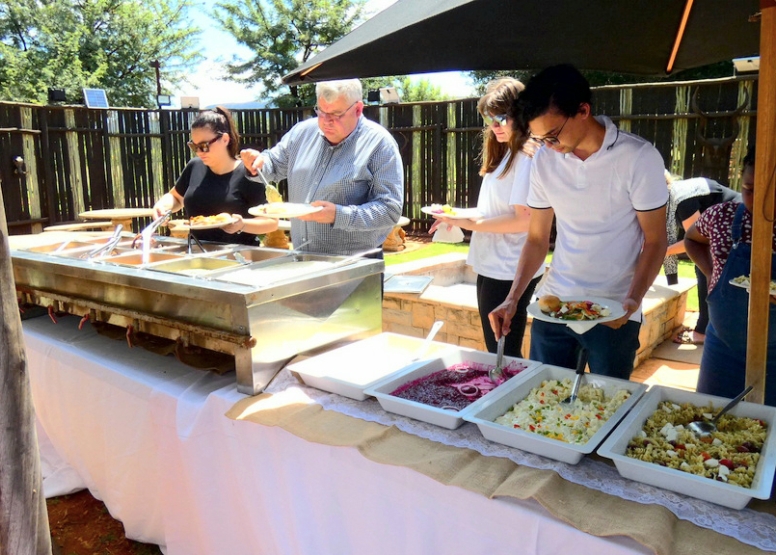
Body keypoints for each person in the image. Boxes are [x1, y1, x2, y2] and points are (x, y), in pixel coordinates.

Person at [488, 64, 668, 380]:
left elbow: (655, 240)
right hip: (554, 305)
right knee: (544, 407)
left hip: (614, 309)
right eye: (539, 138)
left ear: (583, 110)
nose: (547, 146)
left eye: (553, 136)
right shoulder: (544, 158)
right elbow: (536, 238)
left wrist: (632, 300)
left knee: (605, 408)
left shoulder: (638, 157)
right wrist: (512, 298)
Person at [429, 78, 542, 358]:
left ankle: (511, 400)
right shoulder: (506, 155)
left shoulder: (527, 157)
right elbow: (490, 212)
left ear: (521, 114)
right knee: (499, 351)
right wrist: (453, 215)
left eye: (502, 117)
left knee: (502, 352)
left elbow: (524, 221)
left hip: (509, 269)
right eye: (490, 118)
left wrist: (468, 223)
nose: (495, 125)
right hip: (493, 265)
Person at [239, 79, 404, 256]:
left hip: (354, 264)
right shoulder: (301, 133)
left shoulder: (380, 144)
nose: (326, 121)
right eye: (321, 112)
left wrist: (338, 215)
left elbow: (389, 210)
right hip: (302, 257)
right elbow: (273, 165)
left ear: (358, 109)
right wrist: (257, 163)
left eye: (336, 114)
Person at [684, 147, 776, 405]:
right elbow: (692, 238)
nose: (759, 200)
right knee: (710, 418)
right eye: (749, 189)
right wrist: (714, 273)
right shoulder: (722, 216)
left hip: (774, 355)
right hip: (722, 348)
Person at [152, 106, 278, 245]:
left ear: (224, 139)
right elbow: (176, 197)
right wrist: (162, 206)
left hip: (239, 255)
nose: (199, 152)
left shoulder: (248, 173)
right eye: (194, 147)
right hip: (198, 252)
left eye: (204, 146)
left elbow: (271, 222)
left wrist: (242, 225)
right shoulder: (195, 166)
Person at [663, 173, 741, 345]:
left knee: (704, 267)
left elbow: (697, 240)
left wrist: (663, 252)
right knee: (707, 270)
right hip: (730, 223)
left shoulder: (682, 199)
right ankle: (711, 327)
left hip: (738, 221)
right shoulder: (677, 192)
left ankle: (703, 331)